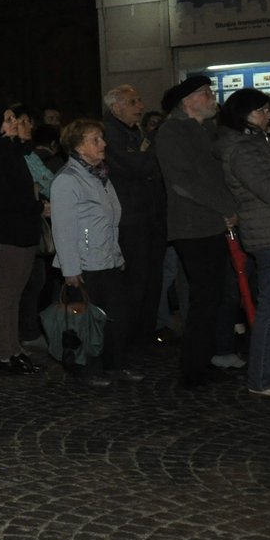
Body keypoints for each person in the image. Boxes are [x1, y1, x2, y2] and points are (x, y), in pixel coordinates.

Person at [154, 75, 243, 389]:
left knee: (213, 296)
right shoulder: (172, 132)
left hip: (211, 223)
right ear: (189, 100)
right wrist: (226, 208)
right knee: (204, 298)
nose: (212, 97)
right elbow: (184, 182)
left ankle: (202, 361)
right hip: (193, 226)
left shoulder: (204, 129)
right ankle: (192, 369)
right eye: (206, 93)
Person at [217, 89, 270, 398]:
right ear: (243, 115)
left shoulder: (255, 142)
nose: (268, 115)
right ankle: (262, 378)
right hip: (269, 234)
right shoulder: (241, 149)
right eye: (261, 111)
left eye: (268, 110)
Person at [50, 119, 144, 387]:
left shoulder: (101, 176)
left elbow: (110, 220)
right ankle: (87, 368)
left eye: (101, 138)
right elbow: (64, 228)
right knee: (88, 321)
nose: (103, 144)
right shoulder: (67, 181)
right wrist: (71, 271)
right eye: (95, 140)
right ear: (78, 146)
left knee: (117, 317)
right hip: (85, 264)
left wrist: (117, 254)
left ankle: (116, 364)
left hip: (107, 260)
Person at [0, 105, 47, 373]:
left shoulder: (12, 151)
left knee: (14, 296)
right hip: (7, 235)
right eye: (8, 119)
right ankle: (4, 356)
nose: (15, 122)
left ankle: (14, 350)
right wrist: (37, 206)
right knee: (5, 296)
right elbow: (3, 198)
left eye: (14, 117)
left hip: (21, 232)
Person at [100, 85, 165, 348]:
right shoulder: (110, 133)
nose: (140, 106)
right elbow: (137, 166)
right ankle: (130, 338)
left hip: (149, 214)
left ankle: (145, 333)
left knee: (152, 278)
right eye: (132, 102)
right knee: (135, 280)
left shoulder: (135, 131)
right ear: (116, 107)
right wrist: (148, 150)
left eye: (139, 100)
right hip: (131, 218)